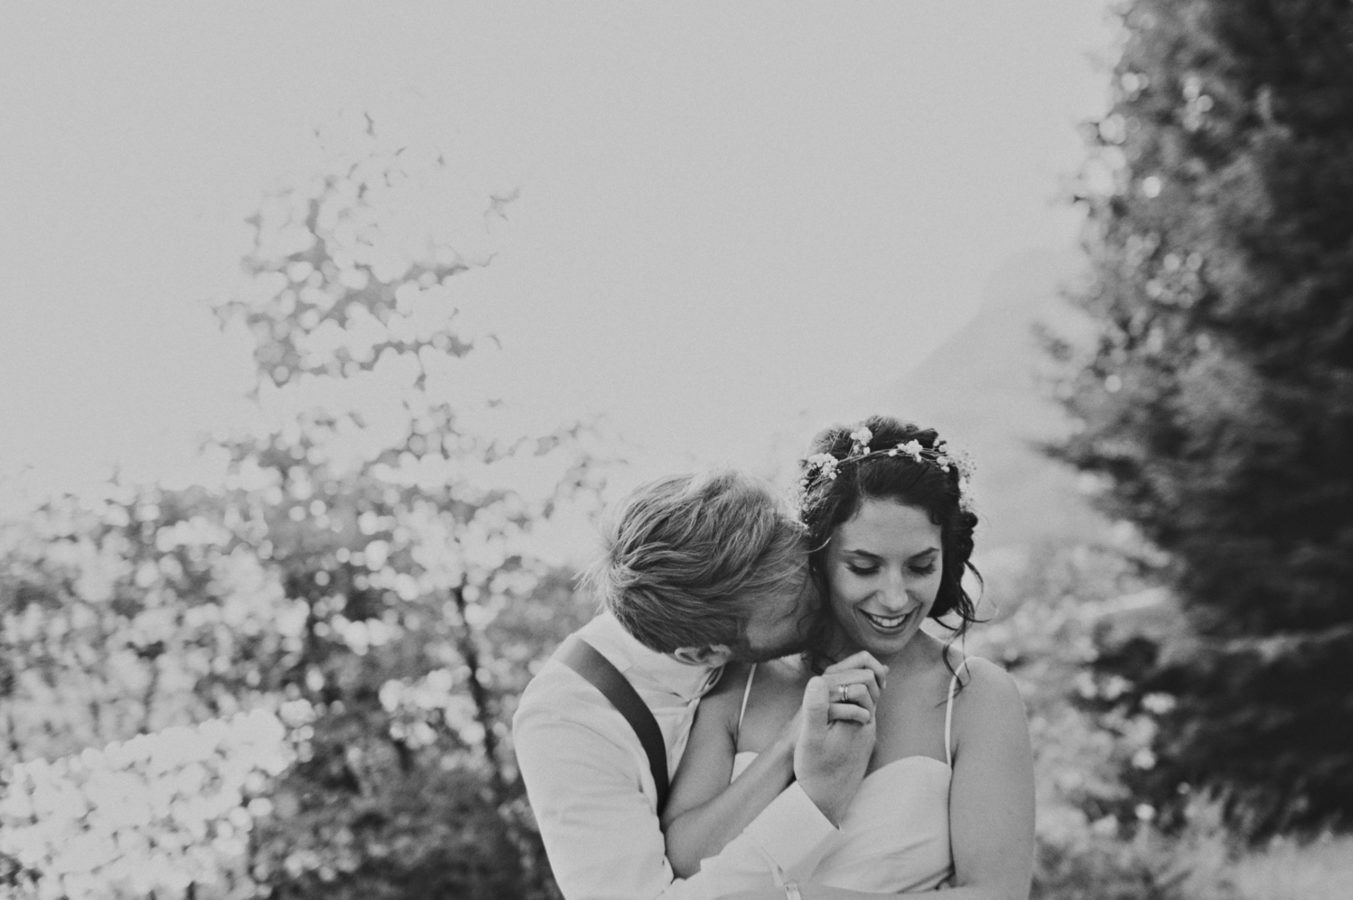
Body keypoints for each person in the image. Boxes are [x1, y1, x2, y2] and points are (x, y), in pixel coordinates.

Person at [662, 417, 1036, 899]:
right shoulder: (743, 679)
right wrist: (791, 744)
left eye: (921, 566)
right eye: (864, 567)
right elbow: (685, 861)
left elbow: (996, 893)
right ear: (816, 557)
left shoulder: (975, 694)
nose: (896, 597)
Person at [513, 469, 888, 900]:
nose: (824, 601)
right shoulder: (568, 723)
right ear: (705, 654)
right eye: (794, 612)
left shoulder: (746, 591)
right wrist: (809, 789)